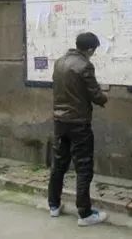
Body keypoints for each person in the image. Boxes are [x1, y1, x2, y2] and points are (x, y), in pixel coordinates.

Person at [47, 32, 108, 226]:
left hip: (60, 122)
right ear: (89, 49)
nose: (93, 54)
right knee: (83, 167)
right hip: (79, 123)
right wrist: (104, 98)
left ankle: (54, 205)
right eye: (94, 50)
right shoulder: (85, 66)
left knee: (59, 164)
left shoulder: (59, 62)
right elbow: (96, 95)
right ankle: (85, 213)